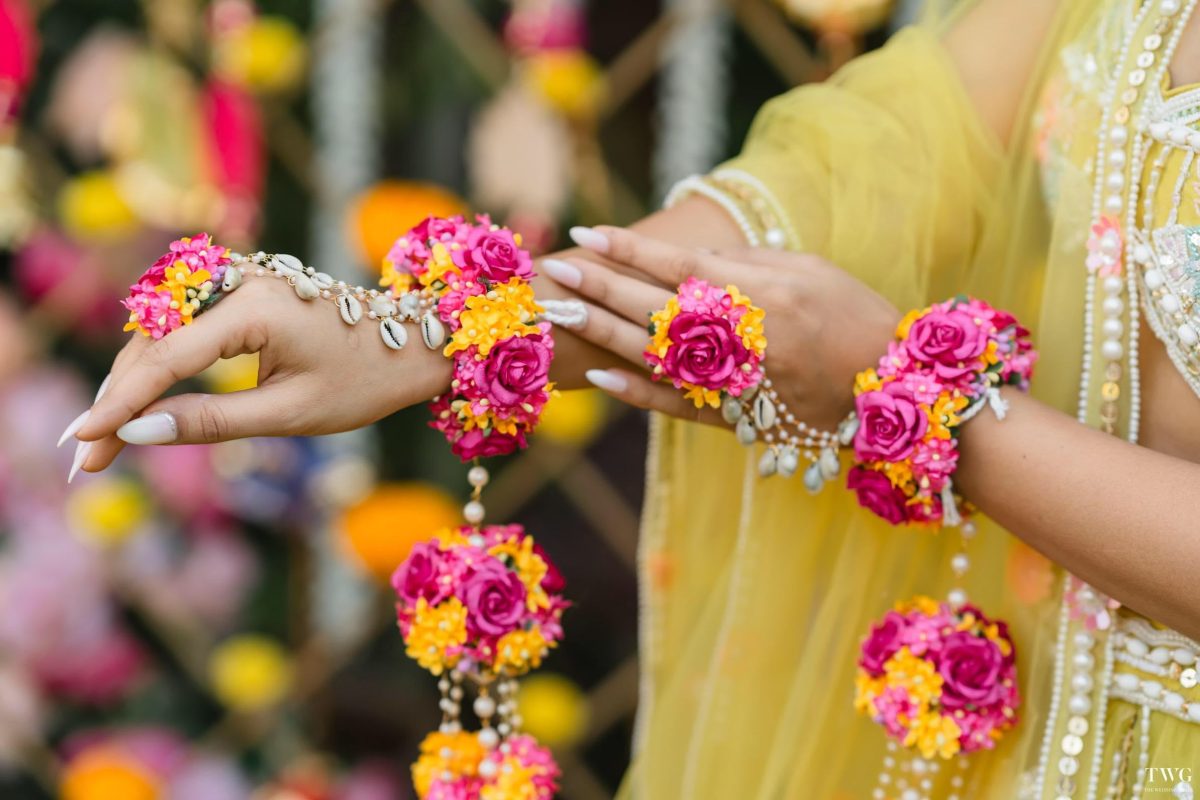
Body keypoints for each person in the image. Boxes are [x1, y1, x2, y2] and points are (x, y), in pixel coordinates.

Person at [62, 0, 1200, 795]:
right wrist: (432, 332)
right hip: (1035, 747)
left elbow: (858, 339)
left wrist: (905, 398)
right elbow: (861, 167)